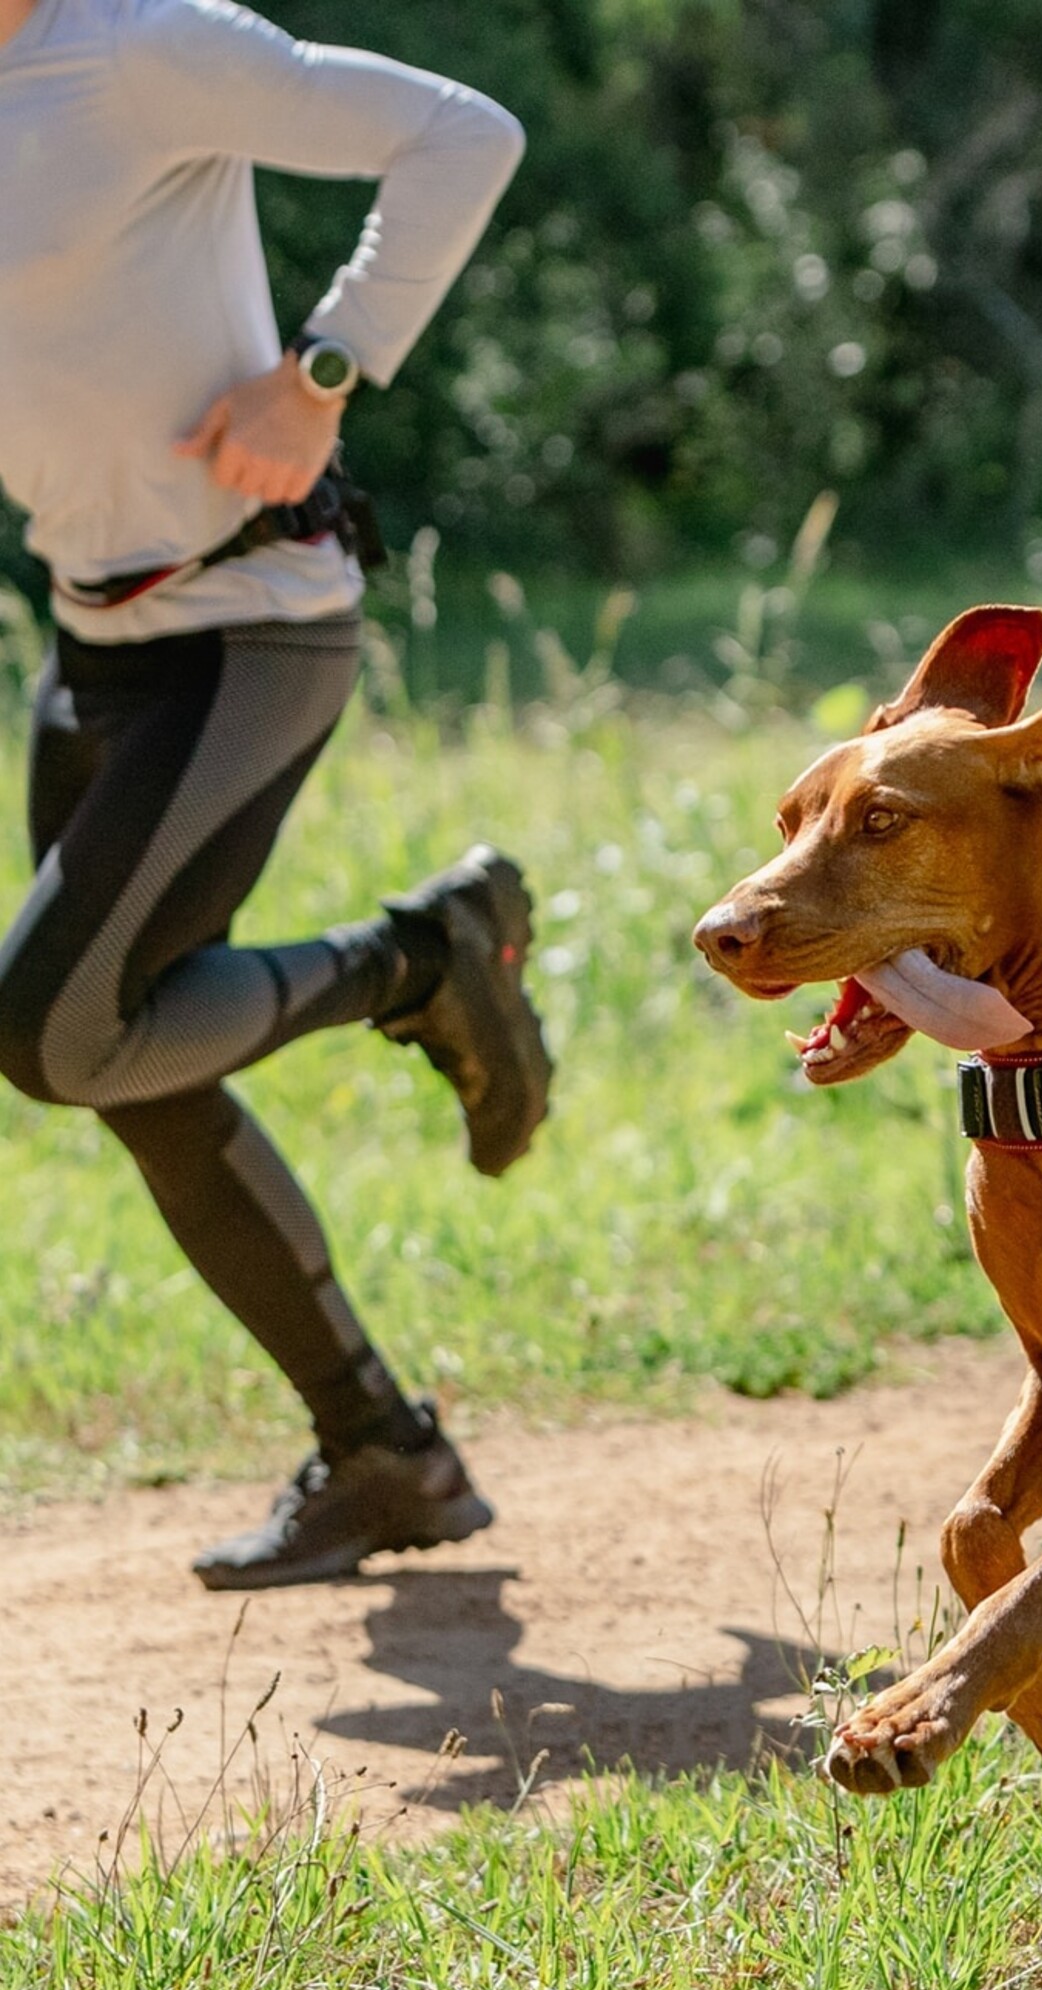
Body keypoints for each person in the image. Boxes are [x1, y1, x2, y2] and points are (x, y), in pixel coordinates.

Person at [0, 0, 551, 1587]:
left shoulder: (137, 45)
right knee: (134, 1062)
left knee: (54, 1033)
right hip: (94, 638)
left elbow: (463, 135)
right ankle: (384, 1450)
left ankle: (420, 958)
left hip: (247, 627)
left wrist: (322, 371)